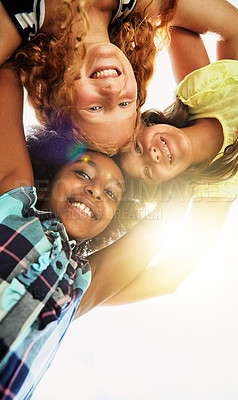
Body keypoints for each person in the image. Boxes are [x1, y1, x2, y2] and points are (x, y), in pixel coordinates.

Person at [0, 66, 171, 398]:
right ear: (48, 178)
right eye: (82, 173)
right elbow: (6, 78)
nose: (95, 192)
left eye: (111, 194)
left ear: (112, 223)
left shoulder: (80, 284)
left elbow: (167, 256)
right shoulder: (13, 205)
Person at [0, 0, 238, 155]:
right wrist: (221, 111)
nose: (111, 91)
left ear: (57, 99)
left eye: (95, 108)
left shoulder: (17, 20)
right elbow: (237, 28)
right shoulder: (140, 4)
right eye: (125, 104)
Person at [118, 15, 238, 195]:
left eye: (137, 148)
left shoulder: (200, 93)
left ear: (147, 125)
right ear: (165, 183)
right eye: (147, 172)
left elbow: (173, 16)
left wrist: (232, 77)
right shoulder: (219, 185)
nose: (152, 156)